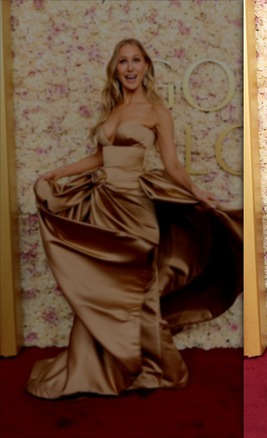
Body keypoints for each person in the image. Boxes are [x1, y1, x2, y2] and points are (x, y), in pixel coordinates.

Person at [27, 38, 242, 399]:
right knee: (101, 288)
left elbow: (171, 164)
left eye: (136, 60)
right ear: (116, 68)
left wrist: (197, 192)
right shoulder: (111, 110)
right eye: (123, 61)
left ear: (146, 66)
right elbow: (99, 159)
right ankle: (99, 370)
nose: (129, 67)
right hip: (103, 205)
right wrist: (55, 173)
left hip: (134, 208)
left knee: (140, 291)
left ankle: (165, 372)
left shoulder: (157, 111)